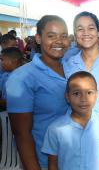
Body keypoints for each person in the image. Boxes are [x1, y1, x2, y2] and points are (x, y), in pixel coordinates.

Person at [6, 15, 70, 169]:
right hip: (44, 162)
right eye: (51, 36)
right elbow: (22, 134)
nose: (59, 41)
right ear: (39, 38)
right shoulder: (21, 78)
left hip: (73, 158)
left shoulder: (72, 69)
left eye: (64, 36)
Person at [42, 71, 99, 170]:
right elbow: (53, 164)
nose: (83, 99)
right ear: (67, 97)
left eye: (89, 93)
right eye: (76, 93)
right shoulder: (55, 128)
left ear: (96, 94)